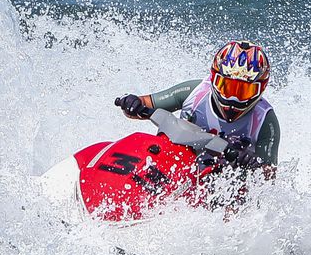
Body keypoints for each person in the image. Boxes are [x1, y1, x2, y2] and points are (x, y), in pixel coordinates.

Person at [116, 40, 280, 175]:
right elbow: (144, 104)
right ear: (214, 78)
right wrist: (131, 103)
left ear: (261, 88)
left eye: (244, 90)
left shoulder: (266, 120)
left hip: (225, 184)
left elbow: (270, 176)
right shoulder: (193, 92)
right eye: (227, 87)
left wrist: (252, 163)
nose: (233, 98)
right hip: (177, 168)